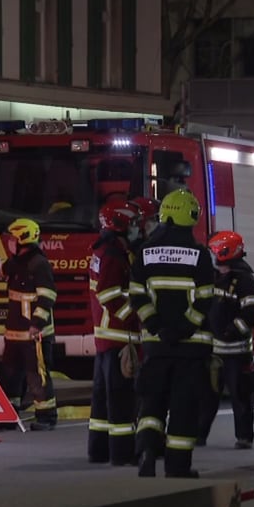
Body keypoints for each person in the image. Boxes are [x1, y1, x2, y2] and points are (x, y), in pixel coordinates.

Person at [129, 189, 215, 478]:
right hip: (190, 348)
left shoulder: (145, 253)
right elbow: (205, 299)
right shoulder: (200, 256)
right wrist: (184, 328)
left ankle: (146, 451)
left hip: (155, 346)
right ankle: (178, 466)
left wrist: (156, 327)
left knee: (151, 401)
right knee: (183, 406)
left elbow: (137, 297)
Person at [0, 218, 58, 431]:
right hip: (15, 333)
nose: (9, 243)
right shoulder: (19, 261)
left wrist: (37, 324)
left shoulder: (38, 264)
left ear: (24, 240)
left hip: (34, 335)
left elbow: (47, 296)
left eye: (13, 240)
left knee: (37, 375)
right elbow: (0, 267)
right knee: (11, 374)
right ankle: (9, 413)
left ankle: (46, 416)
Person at [87, 200, 142, 466]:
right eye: (133, 224)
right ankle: (122, 453)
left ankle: (98, 450)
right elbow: (108, 293)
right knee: (121, 400)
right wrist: (134, 317)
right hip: (119, 336)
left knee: (101, 400)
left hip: (105, 337)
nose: (136, 229)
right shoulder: (113, 254)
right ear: (120, 224)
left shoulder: (102, 250)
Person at [197, 231, 254, 450]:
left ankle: (244, 437)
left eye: (215, 249)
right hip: (212, 351)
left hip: (237, 352)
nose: (213, 254)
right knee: (206, 397)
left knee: (240, 397)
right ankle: (199, 434)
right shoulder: (213, 277)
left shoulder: (244, 280)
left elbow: (251, 314)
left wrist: (231, 331)